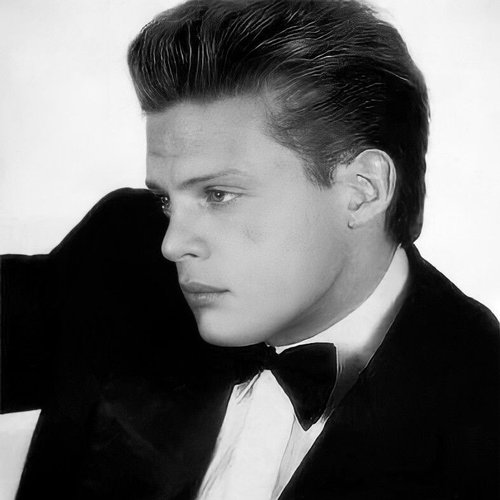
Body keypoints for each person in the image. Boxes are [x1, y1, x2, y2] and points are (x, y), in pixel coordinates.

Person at [2, 0, 499, 499]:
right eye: (166, 199)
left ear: (363, 190)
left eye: (219, 195)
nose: (172, 244)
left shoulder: (481, 406)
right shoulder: (122, 255)